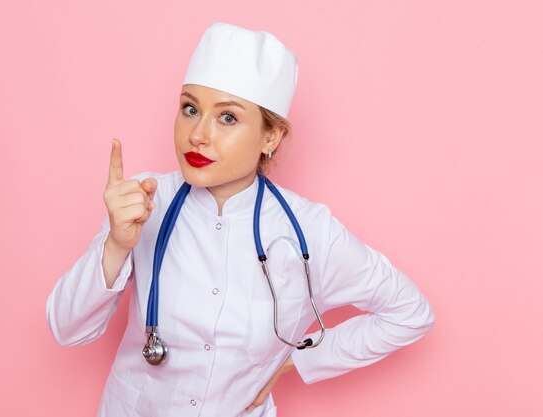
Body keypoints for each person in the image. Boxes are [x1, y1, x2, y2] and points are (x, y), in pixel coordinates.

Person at [45, 22, 435, 417]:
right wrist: (115, 245)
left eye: (227, 118)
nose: (197, 135)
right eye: (190, 108)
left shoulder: (311, 230)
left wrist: (299, 360)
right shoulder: (145, 200)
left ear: (271, 138)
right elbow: (67, 329)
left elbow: (409, 312)